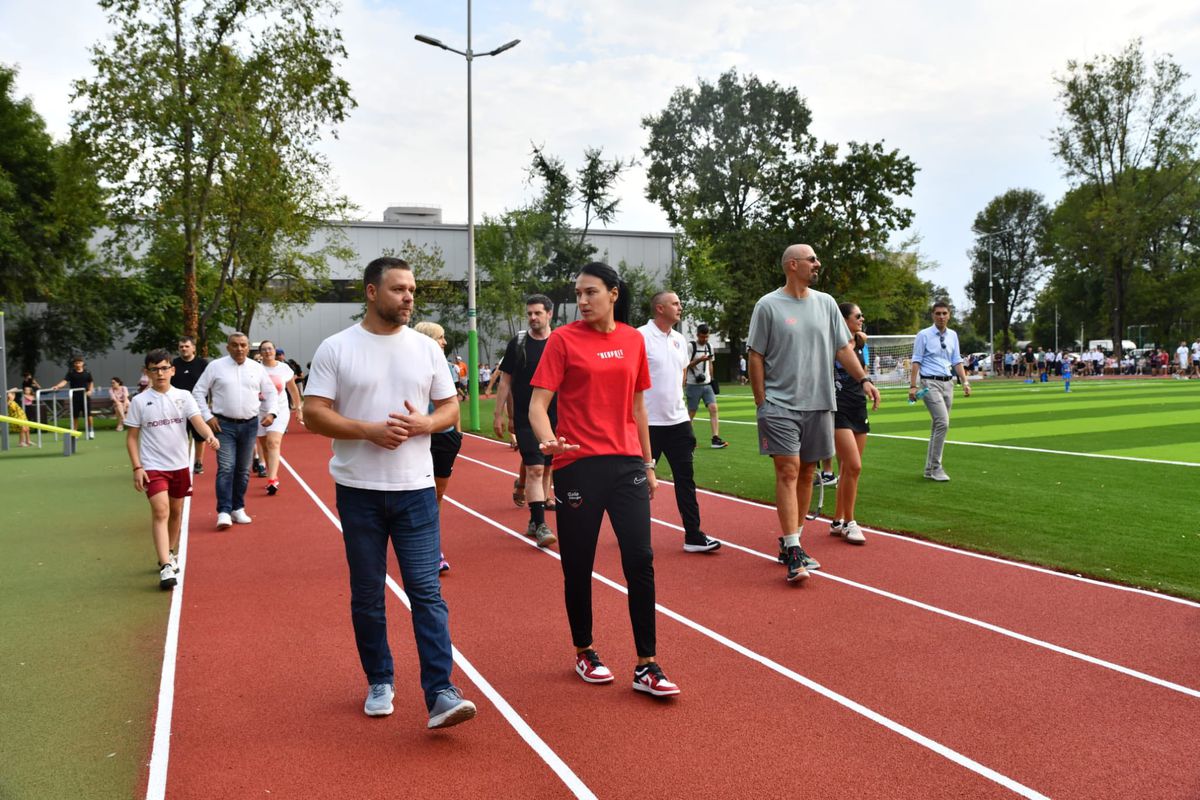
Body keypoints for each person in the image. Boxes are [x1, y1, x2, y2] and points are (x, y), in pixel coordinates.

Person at [303, 256, 476, 730]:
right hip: (358, 491)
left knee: (427, 593)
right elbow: (313, 413)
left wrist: (425, 423)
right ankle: (380, 679)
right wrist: (367, 431)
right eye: (399, 289)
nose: (409, 297)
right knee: (367, 595)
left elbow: (448, 409)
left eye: (413, 290)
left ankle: (441, 691)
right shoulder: (337, 348)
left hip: (416, 491)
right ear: (372, 292)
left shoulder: (426, 349)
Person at [529, 261, 680, 697]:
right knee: (578, 564)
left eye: (590, 292)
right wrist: (548, 442)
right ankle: (585, 650)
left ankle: (646, 664)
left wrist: (649, 465)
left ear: (613, 293)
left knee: (641, 560)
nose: (582, 301)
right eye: (578, 293)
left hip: (628, 464)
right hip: (577, 464)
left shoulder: (633, 341)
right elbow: (539, 406)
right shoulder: (562, 340)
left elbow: (638, 409)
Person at [747, 244, 880, 583]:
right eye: (812, 259)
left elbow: (841, 347)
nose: (818, 263)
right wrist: (761, 401)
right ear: (793, 265)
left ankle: (794, 540)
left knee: (807, 472)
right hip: (779, 404)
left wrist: (863, 379)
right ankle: (793, 549)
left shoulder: (826, 304)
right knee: (788, 470)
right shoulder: (768, 305)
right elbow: (755, 355)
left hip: (820, 402)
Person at [124, 349, 220, 589]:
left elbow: (197, 420)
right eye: (154, 369)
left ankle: (167, 551)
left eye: (164, 368)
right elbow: (132, 438)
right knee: (161, 511)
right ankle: (166, 566)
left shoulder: (184, 396)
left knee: (176, 511)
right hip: (154, 466)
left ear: (172, 370)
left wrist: (209, 436)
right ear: (147, 373)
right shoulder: (139, 401)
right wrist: (137, 467)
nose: (160, 373)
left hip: (180, 465)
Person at [638, 291, 722, 553]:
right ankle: (631, 531)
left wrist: (682, 415)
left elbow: (681, 376)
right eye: (675, 303)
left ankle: (693, 535)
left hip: (678, 423)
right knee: (638, 482)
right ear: (660, 308)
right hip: (648, 424)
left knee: (686, 480)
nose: (680, 307)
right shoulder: (639, 336)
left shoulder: (679, 340)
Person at [192, 332, 278, 530]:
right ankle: (223, 510)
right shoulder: (215, 367)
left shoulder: (256, 368)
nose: (239, 348)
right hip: (223, 425)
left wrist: (272, 413)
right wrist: (208, 416)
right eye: (235, 345)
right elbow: (198, 392)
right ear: (228, 347)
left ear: (248, 347)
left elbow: (271, 392)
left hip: (249, 425)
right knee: (226, 467)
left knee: (243, 469)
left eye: (243, 345)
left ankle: (238, 508)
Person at [494, 294, 559, 548]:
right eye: (529, 313)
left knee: (547, 469)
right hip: (524, 415)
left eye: (537, 313)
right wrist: (499, 415)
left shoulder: (560, 341)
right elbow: (506, 381)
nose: (532, 318)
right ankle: (541, 524)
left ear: (549, 314)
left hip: (556, 416)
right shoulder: (518, 342)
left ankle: (535, 517)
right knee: (535, 468)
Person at [413, 320, 463, 573]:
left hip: (446, 437)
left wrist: (459, 432)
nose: (444, 342)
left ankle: (431, 544)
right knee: (423, 494)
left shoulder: (448, 367)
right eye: (440, 337)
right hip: (419, 437)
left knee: (437, 495)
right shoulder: (409, 365)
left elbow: (452, 402)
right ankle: (432, 550)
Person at [828, 303, 877, 545]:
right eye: (857, 316)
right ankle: (850, 522)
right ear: (844, 320)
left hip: (858, 406)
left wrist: (868, 387)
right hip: (837, 409)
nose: (862, 318)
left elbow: (863, 371)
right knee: (854, 466)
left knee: (849, 469)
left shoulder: (860, 343)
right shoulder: (830, 343)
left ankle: (837, 520)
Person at [908, 302, 972, 481]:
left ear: (949, 315)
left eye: (944, 313)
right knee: (943, 422)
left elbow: (956, 360)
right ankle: (936, 468)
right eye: (938, 313)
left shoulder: (953, 335)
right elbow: (916, 360)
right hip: (929, 383)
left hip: (948, 382)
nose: (941, 316)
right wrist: (913, 386)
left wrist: (965, 381)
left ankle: (930, 469)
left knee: (938, 425)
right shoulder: (924, 335)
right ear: (932, 315)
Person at [256, 340, 303, 496]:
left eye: (270, 349)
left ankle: (272, 480)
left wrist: (299, 408)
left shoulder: (284, 368)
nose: (267, 352)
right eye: (264, 349)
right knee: (264, 445)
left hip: (280, 409)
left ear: (275, 351)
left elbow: (293, 389)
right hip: (259, 410)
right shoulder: (255, 368)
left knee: (273, 442)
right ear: (260, 352)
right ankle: (273, 473)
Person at [171, 336, 210, 474]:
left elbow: (210, 385)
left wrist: (210, 404)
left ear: (193, 348)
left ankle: (198, 462)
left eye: (186, 346)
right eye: (181, 347)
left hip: (198, 407)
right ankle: (182, 462)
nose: (183, 349)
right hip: (178, 407)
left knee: (199, 437)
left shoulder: (202, 364)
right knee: (181, 436)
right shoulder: (174, 364)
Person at [685, 324, 728, 449]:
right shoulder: (691, 346)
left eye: (707, 337)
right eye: (702, 337)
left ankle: (715, 438)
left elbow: (710, 364)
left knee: (713, 408)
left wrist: (712, 380)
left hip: (707, 384)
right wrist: (699, 360)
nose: (704, 339)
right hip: (693, 384)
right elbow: (686, 365)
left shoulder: (709, 346)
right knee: (691, 414)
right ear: (697, 335)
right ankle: (689, 440)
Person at [48, 357, 95, 439]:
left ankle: (91, 431)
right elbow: (64, 381)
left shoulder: (87, 372)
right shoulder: (71, 373)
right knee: (75, 416)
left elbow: (91, 382)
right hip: (75, 397)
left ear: (82, 363)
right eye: (76, 363)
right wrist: (57, 386)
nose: (78, 364)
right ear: (74, 364)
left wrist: (90, 390)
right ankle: (75, 432)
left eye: (79, 362)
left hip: (85, 396)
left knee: (88, 415)